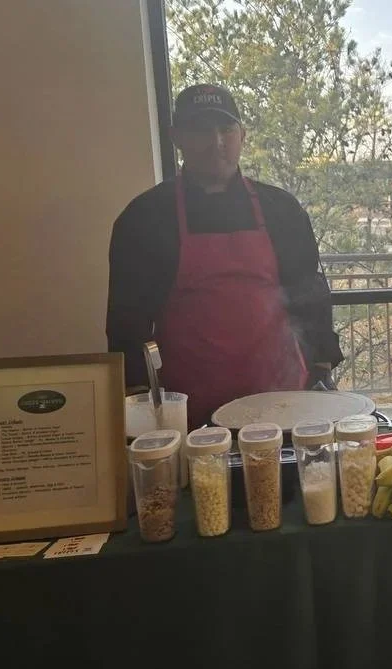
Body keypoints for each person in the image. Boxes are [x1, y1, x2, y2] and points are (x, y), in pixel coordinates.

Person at [107, 84, 343, 428]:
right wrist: (141, 404)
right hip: (188, 411)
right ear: (177, 137)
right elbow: (126, 322)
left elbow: (311, 295)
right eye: (201, 129)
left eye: (226, 129)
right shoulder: (145, 218)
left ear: (242, 135)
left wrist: (321, 366)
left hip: (283, 401)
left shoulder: (282, 210)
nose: (216, 141)